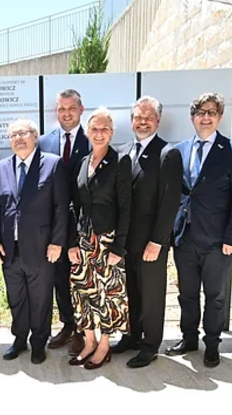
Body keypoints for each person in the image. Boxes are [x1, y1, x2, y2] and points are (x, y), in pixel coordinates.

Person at [167, 93, 232, 368]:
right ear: (192, 117)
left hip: (217, 240)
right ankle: (189, 338)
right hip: (185, 237)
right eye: (201, 112)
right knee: (187, 294)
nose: (206, 117)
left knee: (215, 297)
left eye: (211, 112)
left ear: (219, 117)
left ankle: (212, 344)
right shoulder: (180, 149)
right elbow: (177, 194)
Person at [0, 118, 69, 365]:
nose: (19, 139)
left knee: (41, 299)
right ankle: (19, 339)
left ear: (35, 136)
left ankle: (38, 342)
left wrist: (57, 243)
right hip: (10, 249)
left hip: (42, 248)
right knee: (16, 298)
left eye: (23, 133)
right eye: (13, 135)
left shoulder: (53, 164)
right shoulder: (0, 168)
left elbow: (61, 208)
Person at [112, 97, 182, 368]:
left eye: (148, 117)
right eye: (138, 117)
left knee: (152, 295)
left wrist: (158, 241)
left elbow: (170, 202)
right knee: (130, 292)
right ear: (131, 121)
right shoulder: (124, 151)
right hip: (126, 241)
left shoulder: (168, 154)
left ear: (158, 121)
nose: (142, 121)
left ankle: (150, 345)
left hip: (152, 241)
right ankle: (131, 336)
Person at [67, 107, 132, 370]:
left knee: (108, 295)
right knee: (82, 293)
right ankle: (89, 341)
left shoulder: (120, 162)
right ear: (86, 132)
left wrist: (120, 246)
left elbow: (127, 207)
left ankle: (104, 345)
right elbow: (76, 205)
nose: (99, 133)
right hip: (83, 240)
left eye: (105, 128)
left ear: (112, 132)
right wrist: (72, 240)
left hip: (108, 240)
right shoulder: (83, 162)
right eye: (94, 128)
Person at [38, 89, 91, 355]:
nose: (66, 113)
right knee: (60, 278)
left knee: (82, 279)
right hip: (54, 225)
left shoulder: (93, 139)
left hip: (85, 224)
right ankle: (68, 325)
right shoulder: (44, 142)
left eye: (71, 108)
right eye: (61, 109)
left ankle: (85, 331)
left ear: (81, 109)